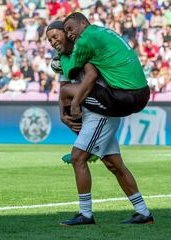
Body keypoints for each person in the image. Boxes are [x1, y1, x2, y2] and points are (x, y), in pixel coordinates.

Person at [46, 20, 153, 226]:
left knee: (78, 158)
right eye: (49, 39)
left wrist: (74, 104)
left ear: (68, 34)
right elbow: (64, 88)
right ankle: (143, 212)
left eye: (56, 35)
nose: (52, 41)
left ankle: (85, 214)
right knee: (114, 165)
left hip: (102, 112)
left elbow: (89, 77)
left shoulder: (83, 48)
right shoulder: (63, 59)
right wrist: (62, 114)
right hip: (97, 112)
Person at [59, 12, 150, 120]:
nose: (69, 35)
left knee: (66, 91)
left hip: (125, 99)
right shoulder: (103, 30)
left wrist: (61, 54)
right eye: (66, 32)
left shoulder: (85, 39)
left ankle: (74, 123)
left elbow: (70, 72)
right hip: (144, 93)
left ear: (83, 23)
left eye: (70, 29)